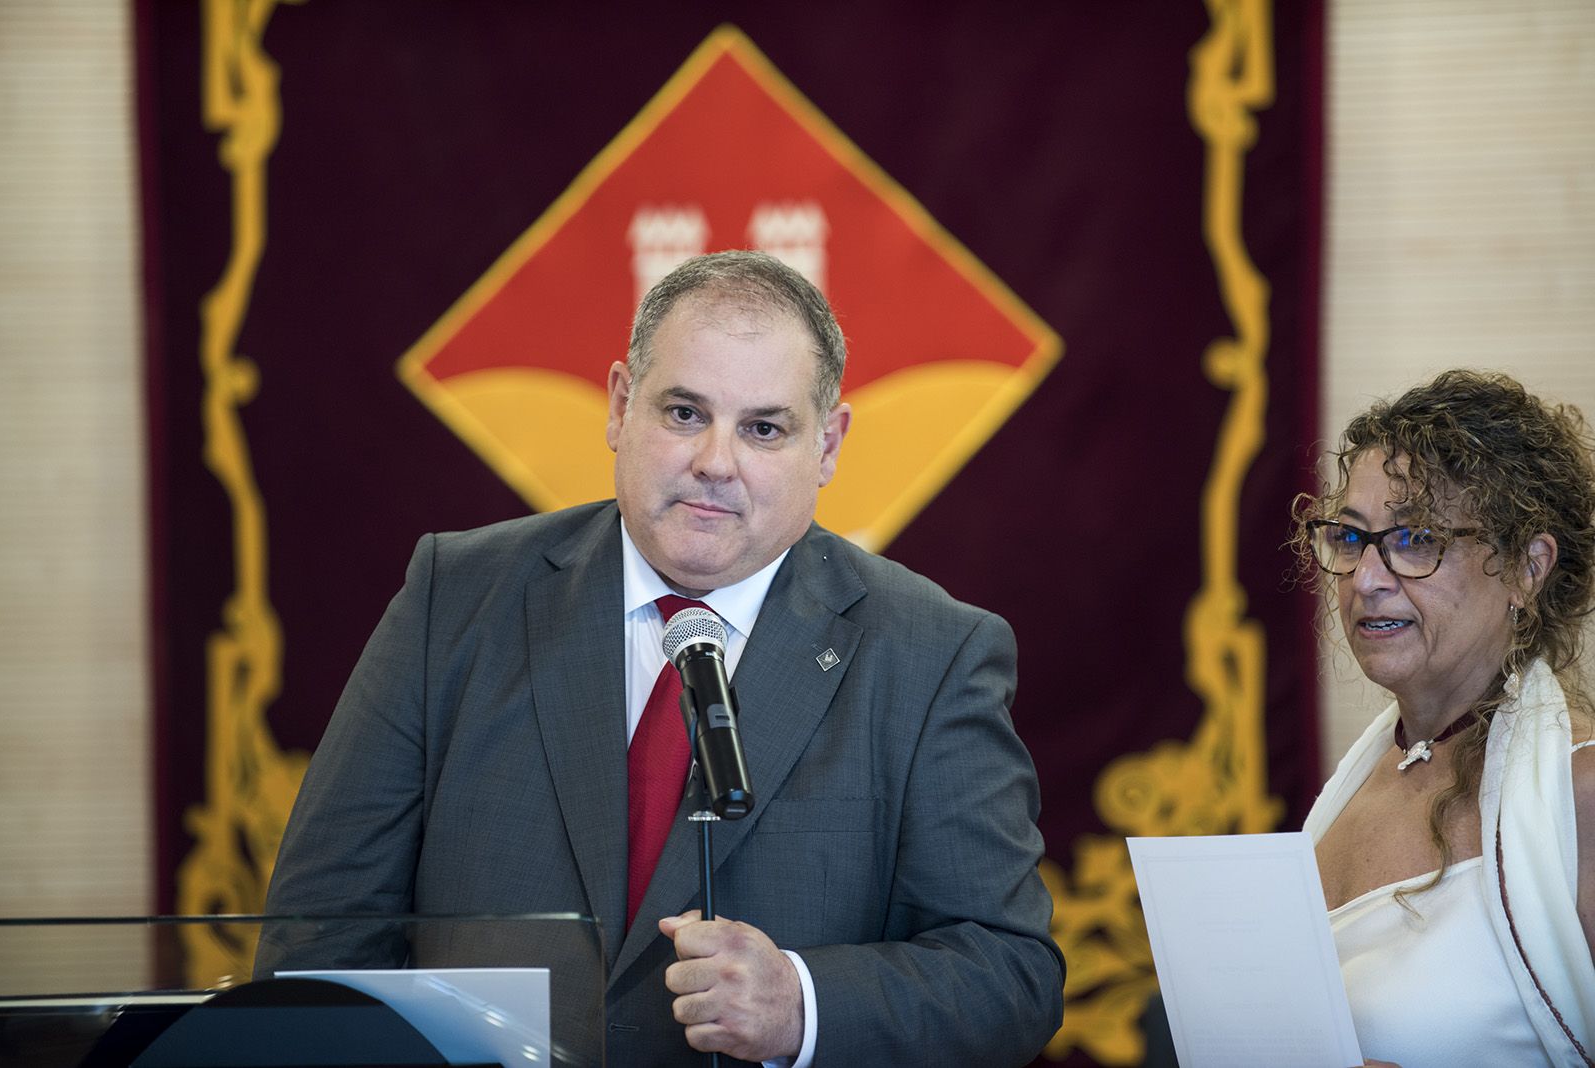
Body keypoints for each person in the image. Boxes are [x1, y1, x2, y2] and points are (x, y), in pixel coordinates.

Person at [259, 250, 1064, 1066]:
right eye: (684, 412)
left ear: (827, 446)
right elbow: (324, 926)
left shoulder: (933, 653)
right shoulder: (455, 597)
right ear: (618, 406)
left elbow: (1012, 973)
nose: (716, 461)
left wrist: (802, 1003)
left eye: (763, 428)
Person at [1295, 370, 1595, 1067]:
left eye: (1417, 538)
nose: (1366, 578)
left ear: (1527, 567)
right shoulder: (1355, 788)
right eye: (1351, 538)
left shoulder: (1579, 789)